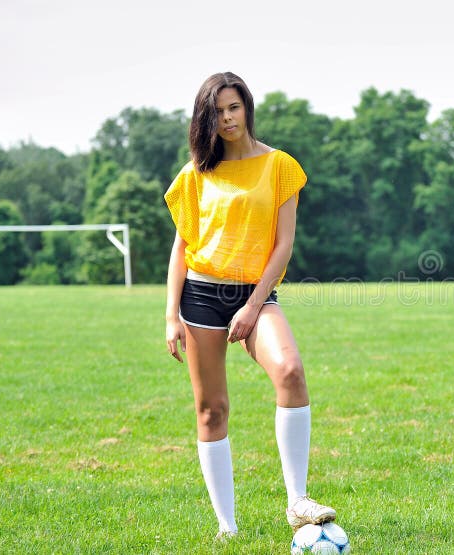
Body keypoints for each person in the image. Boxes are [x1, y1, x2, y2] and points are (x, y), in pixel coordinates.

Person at [163, 71, 336, 540]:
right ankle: (227, 528)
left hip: (253, 293)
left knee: (291, 372)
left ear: (247, 107)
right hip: (199, 295)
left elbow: (283, 246)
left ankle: (297, 501)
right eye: (216, 112)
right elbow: (182, 247)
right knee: (211, 410)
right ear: (206, 119)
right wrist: (170, 316)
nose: (226, 118)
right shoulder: (196, 172)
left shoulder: (280, 166)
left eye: (233, 107)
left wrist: (253, 305)